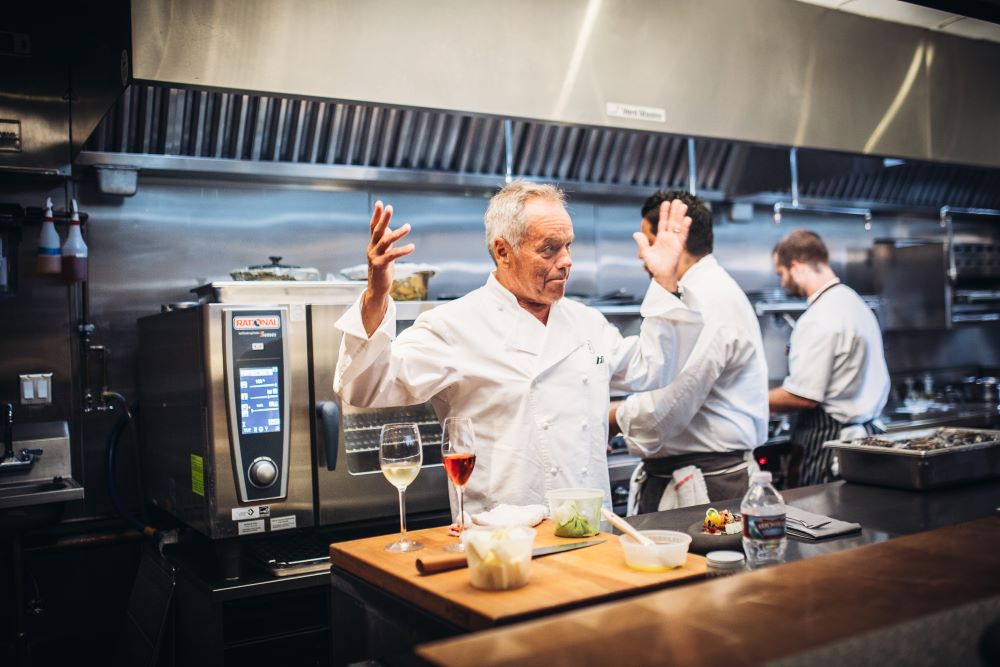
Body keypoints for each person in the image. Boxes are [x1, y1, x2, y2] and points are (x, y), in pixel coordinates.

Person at [333, 180, 703, 516]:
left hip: (591, 532)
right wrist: (376, 294)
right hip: (505, 541)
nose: (567, 261)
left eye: (568, 246)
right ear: (503, 251)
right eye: (550, 249)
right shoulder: (455, 326)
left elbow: (652, 367)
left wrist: (666, 279)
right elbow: (367, 386)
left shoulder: (586, 325)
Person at [609, 191, 768, 514]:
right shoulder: (706, 289)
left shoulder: (707, 298)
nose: (641, 256)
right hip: (694, 478)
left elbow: (664, 410)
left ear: (674, 239)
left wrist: (607, 417)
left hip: (708, 488)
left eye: (648, 241)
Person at [768, 229, 889, 486]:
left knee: (818, 520)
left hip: (827, 443)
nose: (782, 283)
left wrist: (753, 400)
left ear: (796, 266)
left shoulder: (820, 317)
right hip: (862, 436)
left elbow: (804, 396)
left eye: (781, 274)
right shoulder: (854, 303)